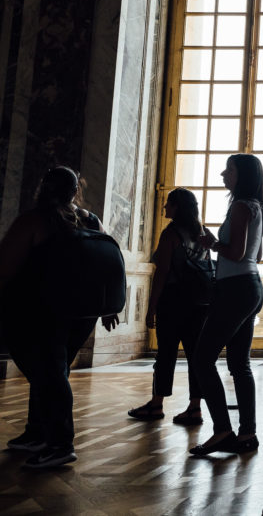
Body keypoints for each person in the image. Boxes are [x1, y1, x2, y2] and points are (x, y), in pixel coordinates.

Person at [0, 166, 120, 468]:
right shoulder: (92, 220)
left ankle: (59, 443)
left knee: (48, 372)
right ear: (75, 190)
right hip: (82, 311)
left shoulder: (34, 220)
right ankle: (37, 432)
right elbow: (103, 265)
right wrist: (108, 307)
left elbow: (4, 268)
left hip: (42, 310)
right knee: (53, 370)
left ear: (42, 187)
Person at [189, 154, 263, 455]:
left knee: (201, 360)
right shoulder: (257, 207)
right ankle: (247, 434)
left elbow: (234, 253)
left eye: (229, 170)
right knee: (239, 364)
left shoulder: (239, 206)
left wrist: (211, 243)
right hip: (251, 286)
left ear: (242, 175)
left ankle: (222, 430)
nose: (224, 174)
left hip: (234, 289)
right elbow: (254, 256)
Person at [128, 188, 212, 425]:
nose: (165, 208)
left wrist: (151, 307)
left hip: (174, 301)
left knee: (166, 354)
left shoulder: (171, 234)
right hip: (199, 303)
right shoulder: (203, 232)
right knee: (196, 356)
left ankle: (156, 403)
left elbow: (162, 273)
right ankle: (195, 407)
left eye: (168, 204)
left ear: (177, 207)